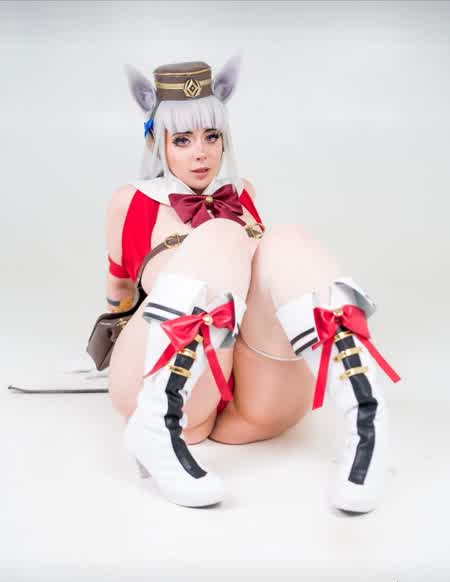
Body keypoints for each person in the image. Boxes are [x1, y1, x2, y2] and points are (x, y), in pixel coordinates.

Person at [105, 56, 401, 512]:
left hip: (254, 396)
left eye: (211, 136)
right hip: (173, 391)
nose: (201, 153)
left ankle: (368, 422)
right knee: (222, 235)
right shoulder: (132, 201)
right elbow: (118, 291)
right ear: (155, 141)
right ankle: (153, 426)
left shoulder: (243, 194)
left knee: (286, 239)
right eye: (182, 139)